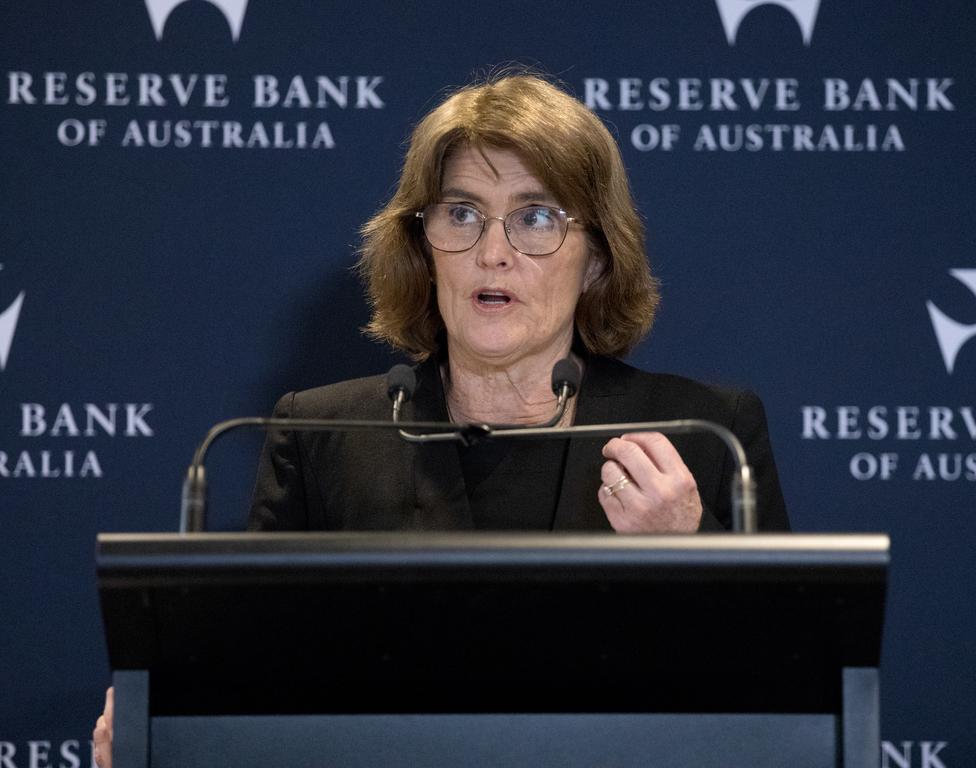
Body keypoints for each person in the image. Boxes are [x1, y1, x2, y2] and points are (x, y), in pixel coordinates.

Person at [93, 72, 788, 768]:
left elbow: (794, 692)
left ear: (597, 259)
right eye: (461, 213)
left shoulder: (702, 432)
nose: (493, 252)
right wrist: (171, 718)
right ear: (423, 248)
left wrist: (695, 548)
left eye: (536, 217)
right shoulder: (324, 434)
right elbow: (258, 673)